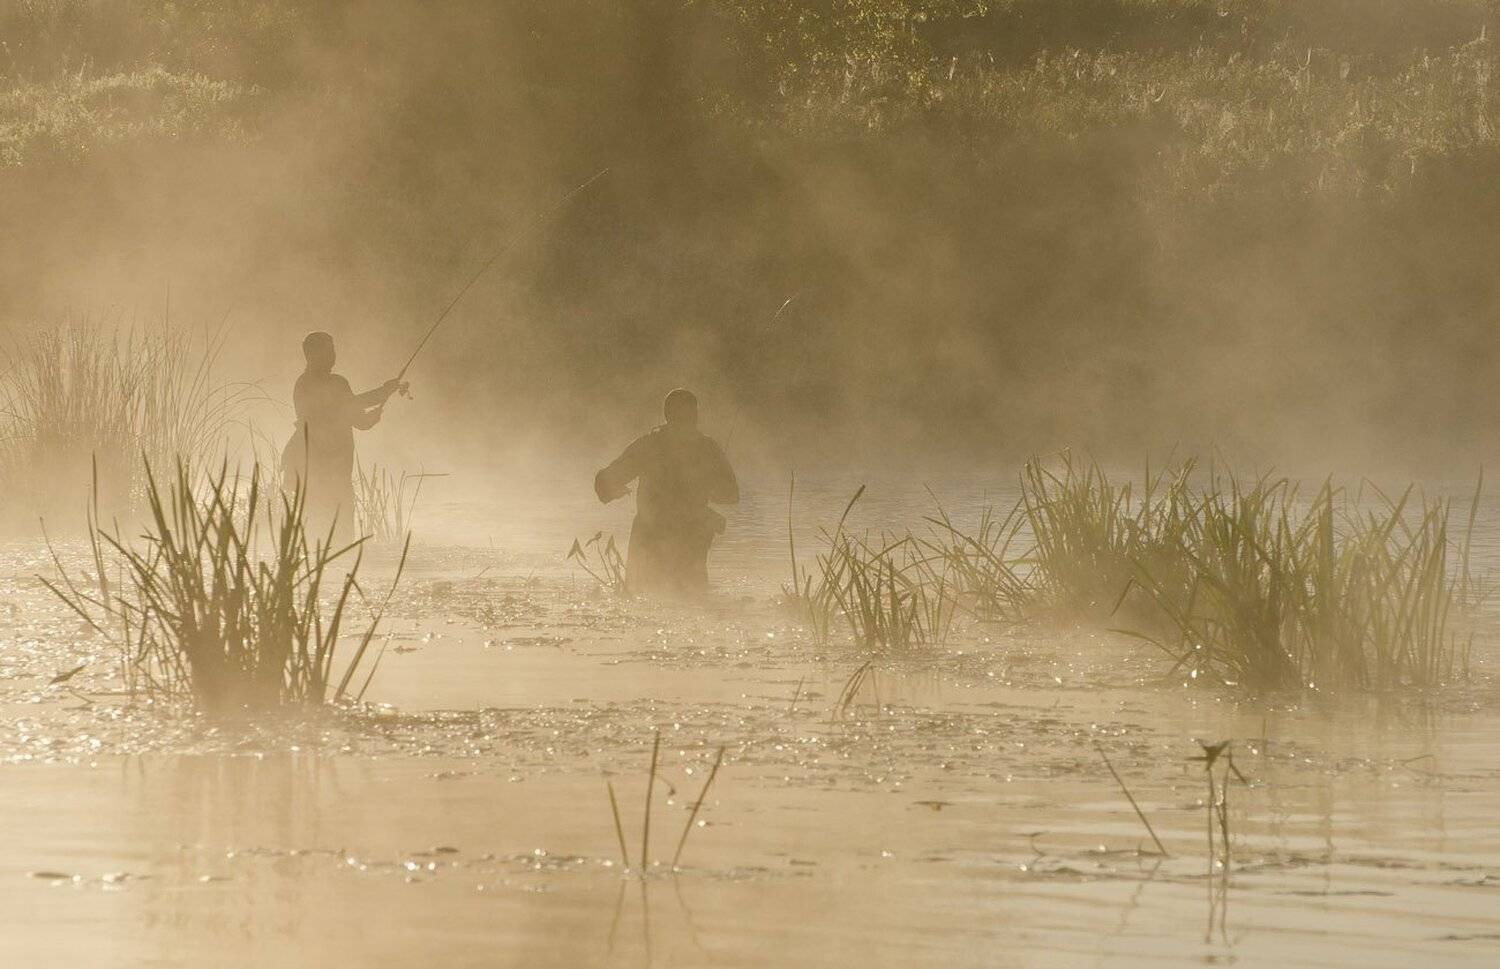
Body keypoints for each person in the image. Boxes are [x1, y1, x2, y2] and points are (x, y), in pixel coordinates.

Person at [594, 388, 739, 596]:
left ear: (667, 415)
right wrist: (703, 487)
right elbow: (731, 494)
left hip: (649, 538)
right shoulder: (708, 448)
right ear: (694, 415)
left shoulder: (648, 445)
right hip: (690, 539)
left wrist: (616, 490)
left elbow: (604, 483)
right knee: (693, 603)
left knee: (642, 600)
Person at [282, 331, 407, 541]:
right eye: (327, 351)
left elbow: (359, 421)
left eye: (333, 350)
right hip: (314, 466)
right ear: (310, 355)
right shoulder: (305, 385)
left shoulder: (340, 382)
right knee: (318, 523)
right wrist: (384, 391)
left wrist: (373, 417)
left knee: (342, 527)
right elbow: (343, 407)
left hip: (339, 470)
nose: (332, 355)